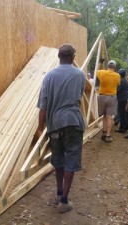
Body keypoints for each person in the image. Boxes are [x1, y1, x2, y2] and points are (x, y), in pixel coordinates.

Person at [36, 44, 85, 213]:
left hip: (54, 124)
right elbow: (78, 98)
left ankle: (58, 193)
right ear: (72, 57)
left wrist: (40, 127)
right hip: (72, 122)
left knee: (58, 160)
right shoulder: (79, 75)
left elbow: (43, 105)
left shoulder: (49, 76)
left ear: (59, 57)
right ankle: (64, 201)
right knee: (71, 159)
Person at [97, 59, 120, 142]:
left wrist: (100, 62)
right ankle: (108, 135)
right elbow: (118, 84)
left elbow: (96, 69)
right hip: (111, 97)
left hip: (102, 97)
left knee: (104, 115)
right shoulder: (117, 75)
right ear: (114, 67)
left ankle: (103, 131)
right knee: (109, 116)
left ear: (108, 66)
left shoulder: (102, 73)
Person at [115, 69, 128, 133]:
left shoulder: (121, 81)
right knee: (124, 114)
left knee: (121, 114)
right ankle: (125, 127)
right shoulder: (125, 81)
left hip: (122, 100)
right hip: (125, 99)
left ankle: (122, 128)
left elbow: (118, 90)